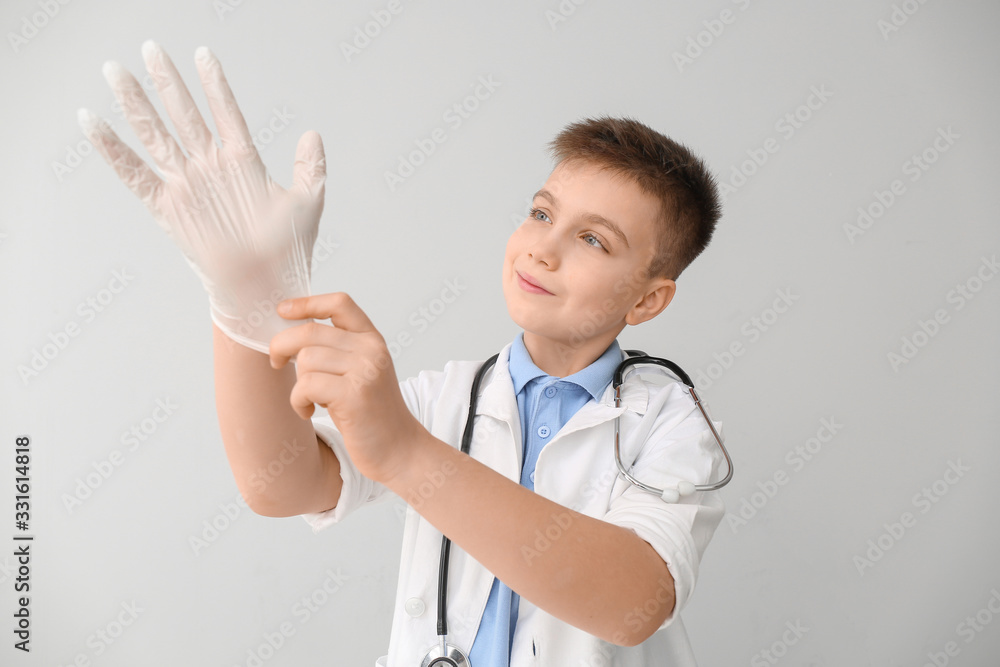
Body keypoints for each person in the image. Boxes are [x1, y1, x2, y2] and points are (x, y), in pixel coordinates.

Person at [80, 41, 727, 667]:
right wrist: (249, 316)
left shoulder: (673, 425)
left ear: (647, 300)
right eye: (539, 212)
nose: (542, 248)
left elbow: (635, 601)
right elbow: (277, 483)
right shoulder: (442, 397)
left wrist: (405, 451)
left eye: (591, 238)